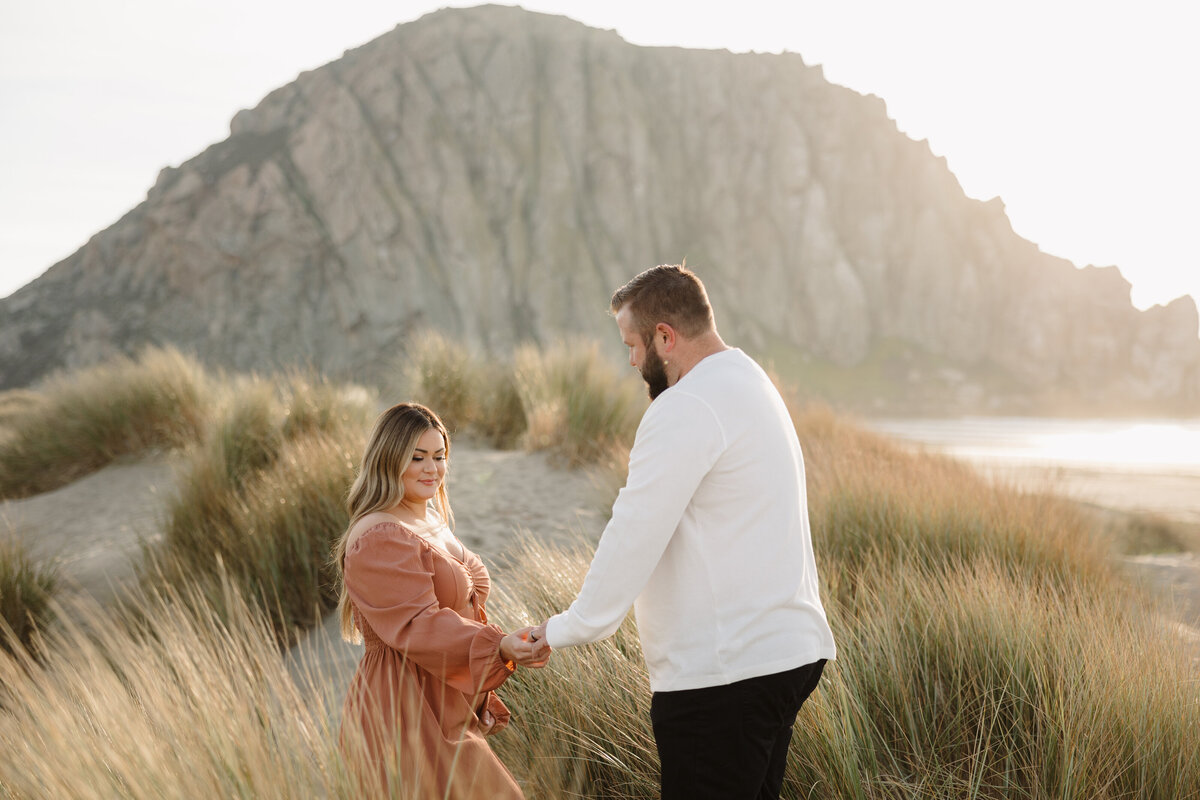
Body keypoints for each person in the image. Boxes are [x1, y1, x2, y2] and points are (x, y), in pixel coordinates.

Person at [530, 264, 837, 800]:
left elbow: (633, 532)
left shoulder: (688, 404)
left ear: (664, 337)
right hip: (782, 656)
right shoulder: (750, 380)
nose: (630, 360)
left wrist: (567, 627)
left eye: (632, 344)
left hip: (724, 676)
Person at [333, 402, 550, 798]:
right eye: (417, 457)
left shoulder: (428, 517)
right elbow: (421, 625)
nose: (431, 468)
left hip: (448, 701)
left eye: (439, 456)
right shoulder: (378, 535)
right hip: (405, 711)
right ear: (389, 458)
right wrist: (497, 646)